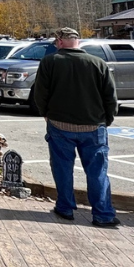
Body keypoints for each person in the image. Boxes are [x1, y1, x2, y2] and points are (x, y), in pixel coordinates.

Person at [31, 27, 121, 227]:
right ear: (77, 41)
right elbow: (110, 97)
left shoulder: (50, 62)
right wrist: (107, 119)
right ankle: (103, 214)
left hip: (60, 124)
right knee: (97, 171)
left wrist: (46, 114)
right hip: (93, 126)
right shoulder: (98, 63)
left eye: (56, 42)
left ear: (60, 41)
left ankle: (65, 207)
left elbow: (40, 93)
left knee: (62, 167)